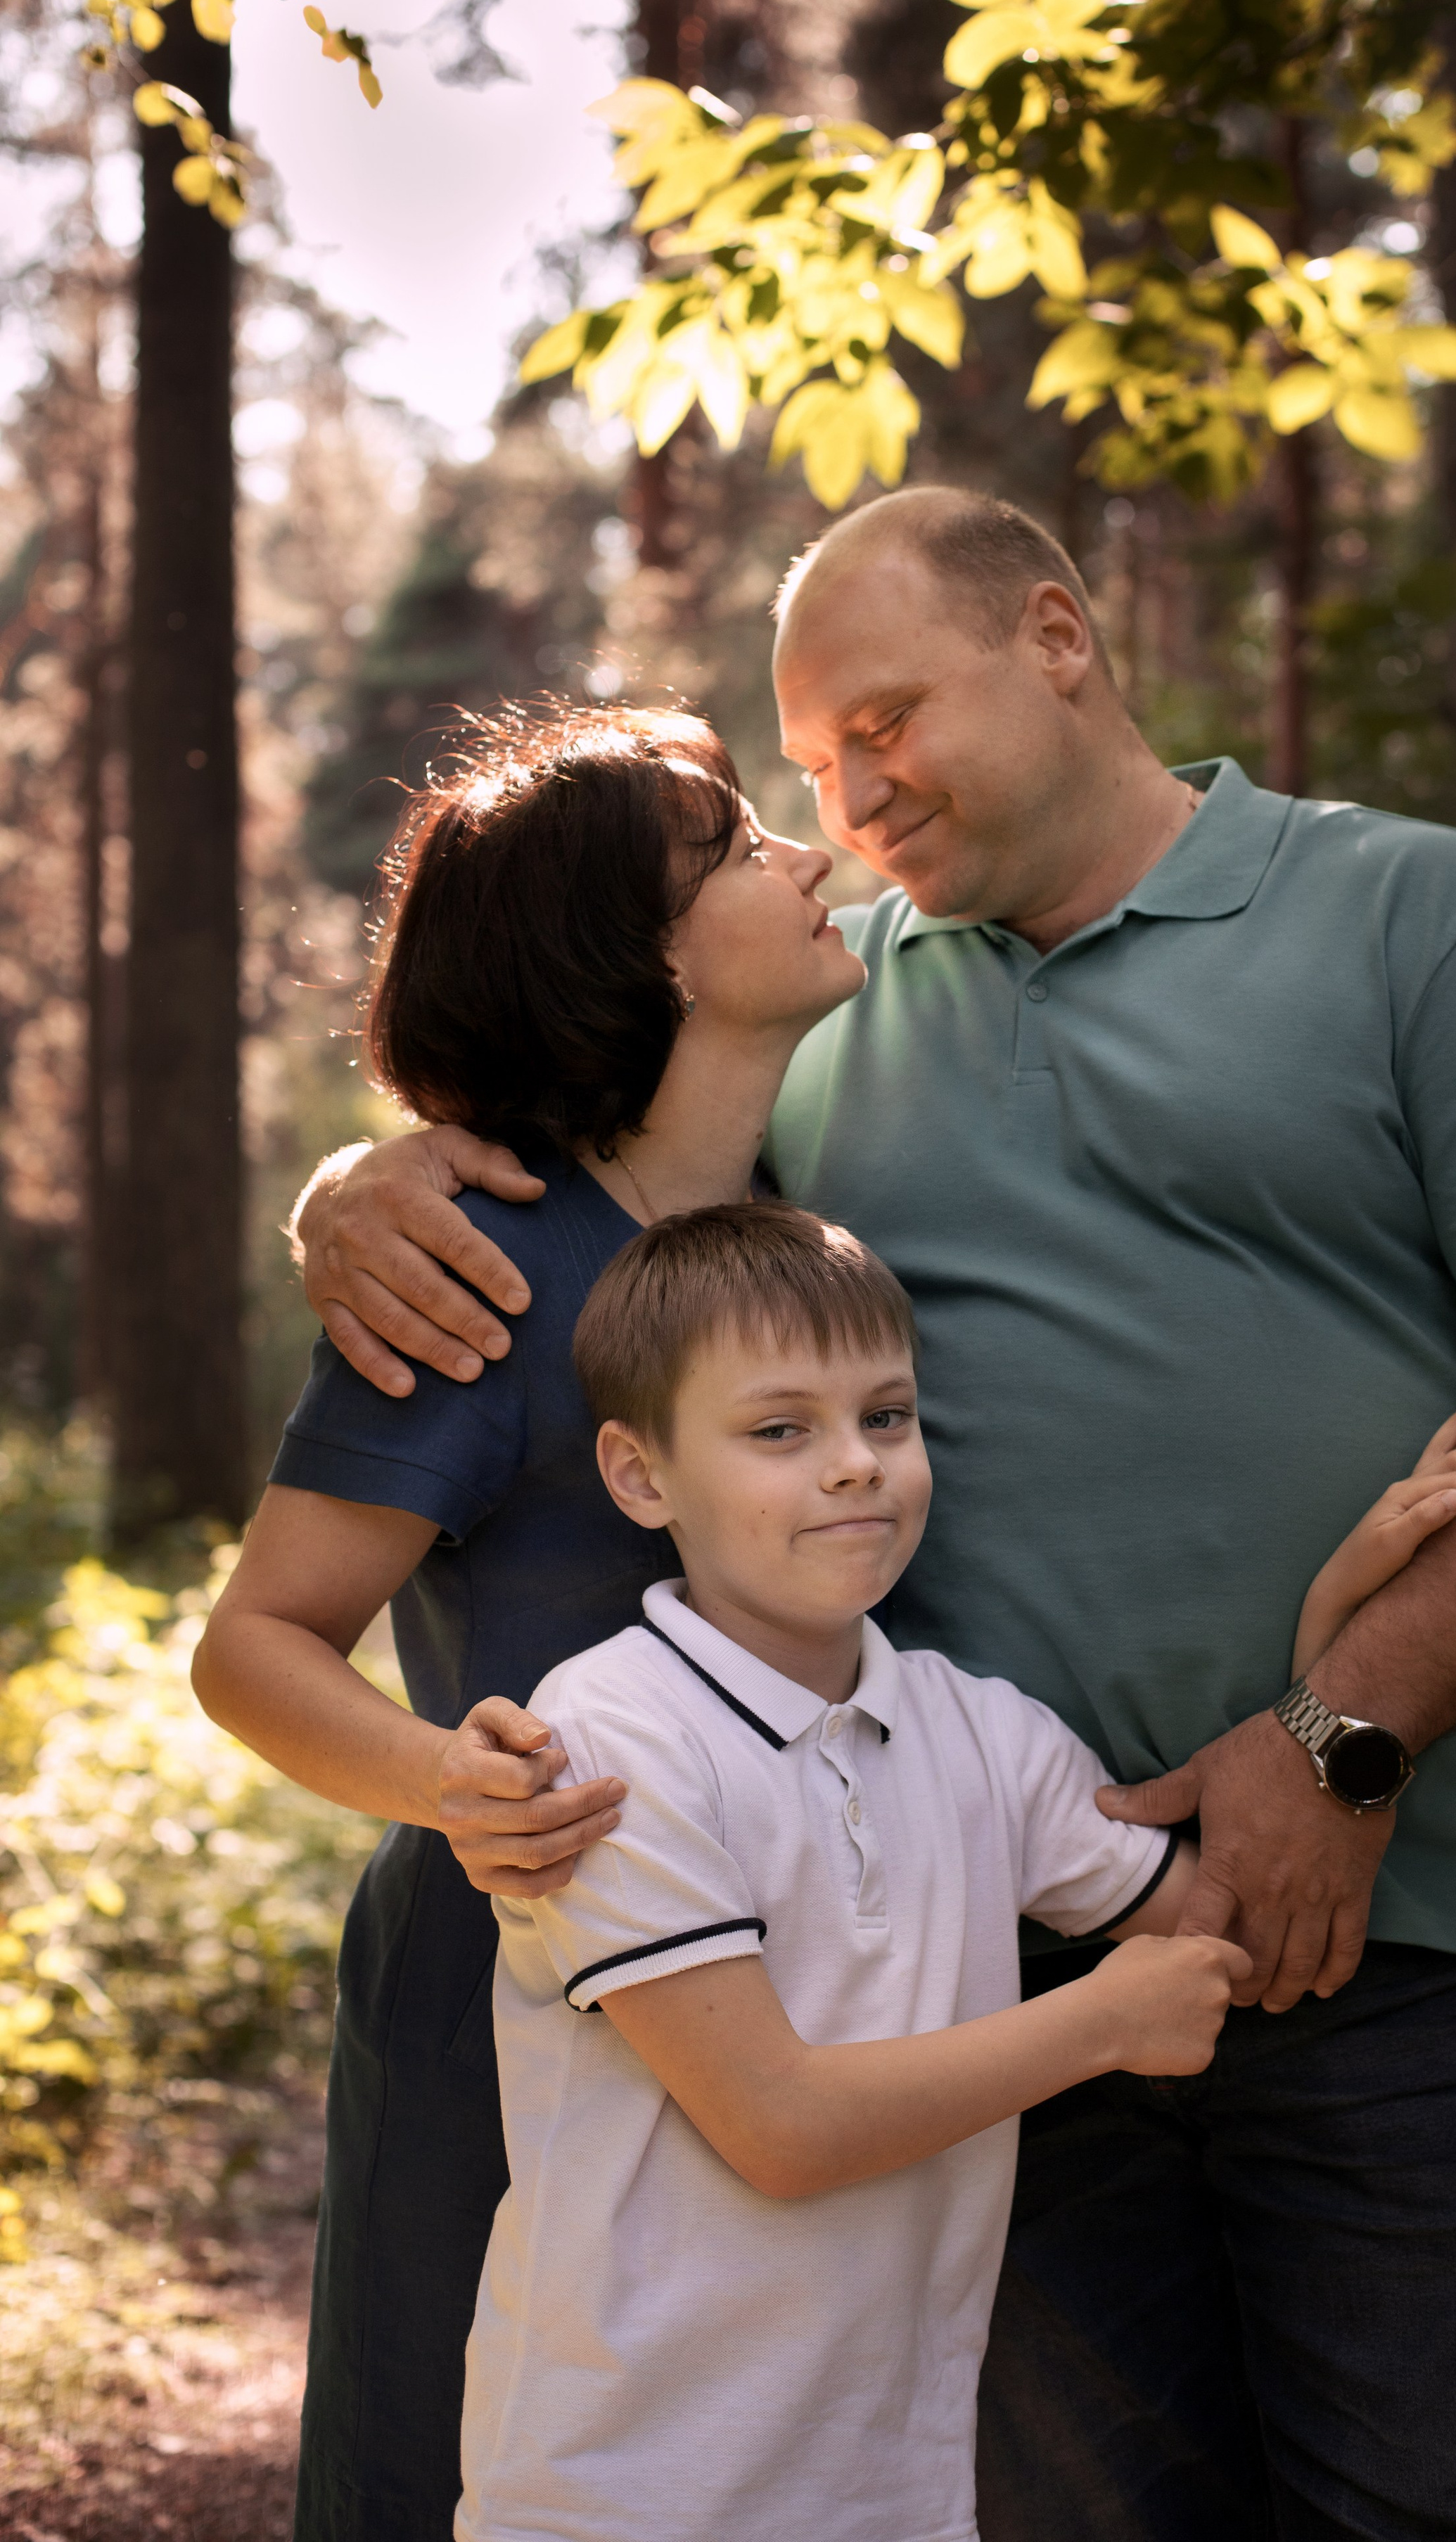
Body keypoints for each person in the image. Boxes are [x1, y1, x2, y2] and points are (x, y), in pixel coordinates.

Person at [295, 488, 1456, 2542]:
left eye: (889, 720)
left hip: (1399, 1939)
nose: (852, 795)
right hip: (982, 1988)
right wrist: (356, 1184)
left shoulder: (1436, 921)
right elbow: (586, 1096)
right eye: (815, 761)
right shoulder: (826, 999)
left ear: (1055, 637)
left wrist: (1342, 1743)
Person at [458, 1199, 1456, 2542]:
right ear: (640, 1474)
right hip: (627, 2480)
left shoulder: (982, 1732)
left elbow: (1239, 1933)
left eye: (886, 1418)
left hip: (894, 2486)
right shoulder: (610, 1735)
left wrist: (1329, 1655)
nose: (856, 1466)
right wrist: (1098, 2024)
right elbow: (778, 2128)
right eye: (781, 1430)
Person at [194, 705, 873, 2542]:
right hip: (501, 1993)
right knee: (461, 2483)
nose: (804, 855)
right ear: (633, 958)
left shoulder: (820, 1241)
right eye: (732, 852)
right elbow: (255, 1642)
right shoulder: (476, 1270)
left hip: (805, 1997)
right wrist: (454, 1786)